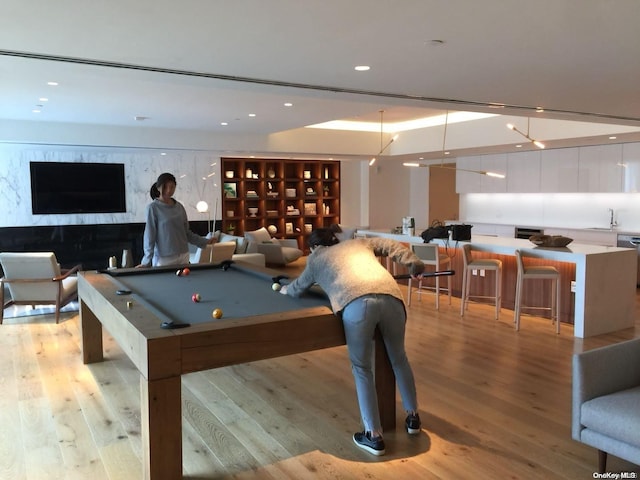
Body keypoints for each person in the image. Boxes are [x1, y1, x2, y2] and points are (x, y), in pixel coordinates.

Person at [279, 228, 425, 456]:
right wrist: (414, 264)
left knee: (362, 368)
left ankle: (374, 436)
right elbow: (390, 245)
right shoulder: (358, 243)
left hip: (357, 304)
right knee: (399, 358)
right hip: (392, 298)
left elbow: (298, 288)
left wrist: (286, 288)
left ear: (314, 247)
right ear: (334, 240)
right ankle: (413, 418)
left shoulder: (317, 258)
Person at [138, 172, 215, 267]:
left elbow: (187, 233)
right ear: (158, 188)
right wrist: (146, 262)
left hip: (183, 256)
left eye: (172, 187)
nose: (169, 190)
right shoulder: (152, 208)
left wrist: (205, 241)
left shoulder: (179, 207)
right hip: (164, 259)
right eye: (165, 187)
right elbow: (149, 237)